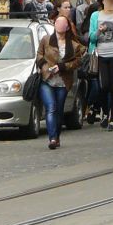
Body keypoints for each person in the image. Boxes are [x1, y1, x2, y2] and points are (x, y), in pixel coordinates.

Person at [35, 16, 84, 149]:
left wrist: (62, 67)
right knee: (51, 107)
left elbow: (78, 61)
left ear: (67, 27)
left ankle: (57, 136)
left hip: (63, 81)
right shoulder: (46, 40)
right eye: (57, 23)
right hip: (47, 79)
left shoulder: (73, 45)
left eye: (62, 23)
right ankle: (52, 138)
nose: (59, 25)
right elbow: (39, 54)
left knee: (59, 109)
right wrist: (44, 67)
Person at [88, 0, 113, 130]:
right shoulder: (96, 16)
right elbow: (92, 37)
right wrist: (99, 31)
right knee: (103, 86)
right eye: (107, 0)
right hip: (101, 54)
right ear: (102, 2)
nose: (110, 3)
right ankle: (105, 113)